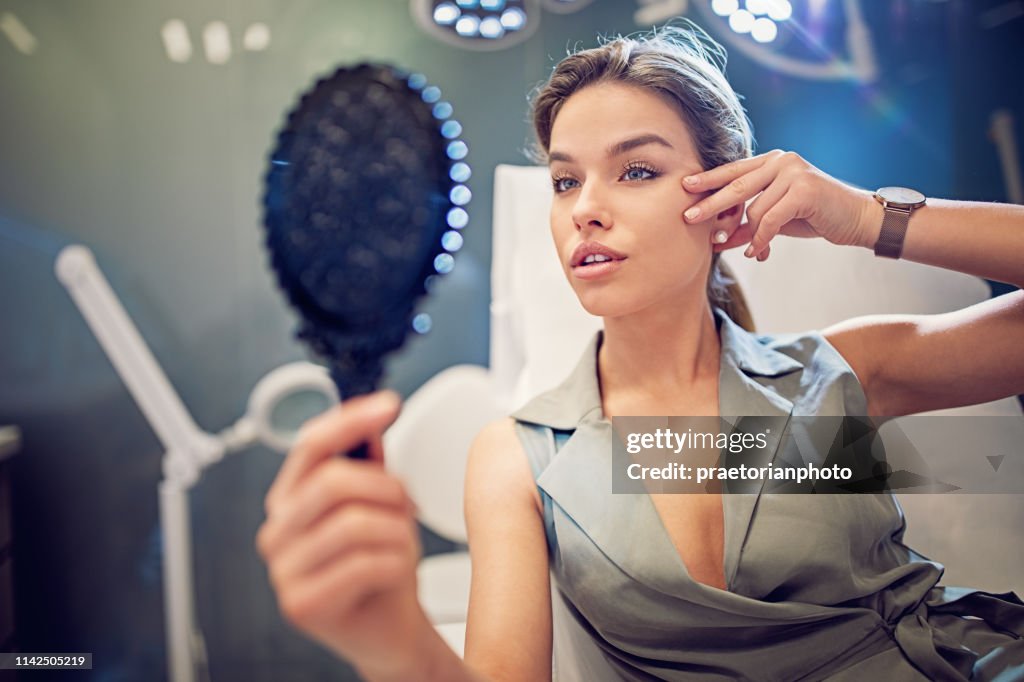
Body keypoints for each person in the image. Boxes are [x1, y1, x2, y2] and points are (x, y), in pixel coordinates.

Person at [255, 21, 1024, 681]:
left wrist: (867, 219)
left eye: (637, 171)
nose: (586, 208)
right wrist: (395, 643)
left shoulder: (840, 373)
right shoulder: (520, 459)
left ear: (720, 202)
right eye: (563, 181)